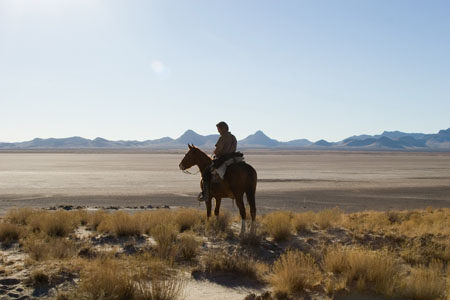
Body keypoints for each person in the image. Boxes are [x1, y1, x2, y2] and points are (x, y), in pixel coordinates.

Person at [198, 121, 237, 201]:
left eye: (218, 129)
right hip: (232, 157)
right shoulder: (233, 137)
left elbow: (218, 150)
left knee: (206, 173)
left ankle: (205, 194)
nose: (218, 131)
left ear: (223, 128)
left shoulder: (223, 137)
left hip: (223, 158)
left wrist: (215, 153)